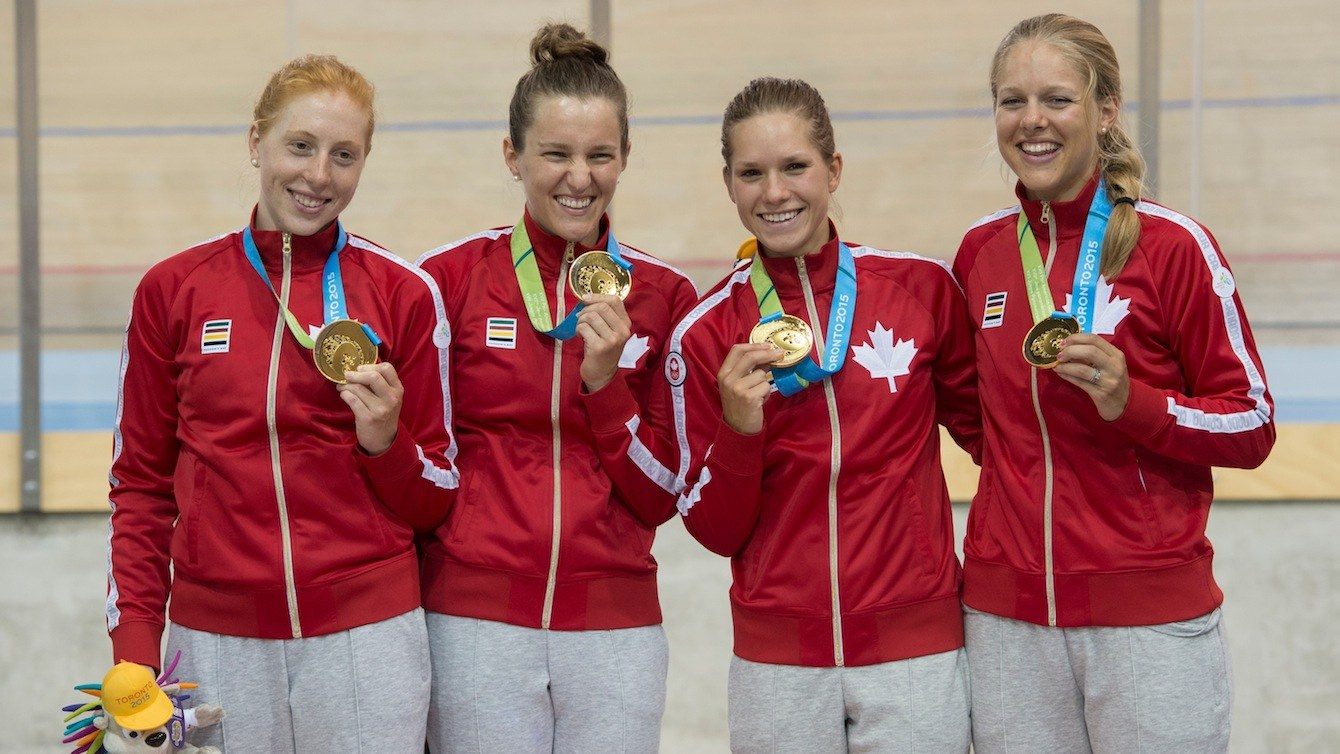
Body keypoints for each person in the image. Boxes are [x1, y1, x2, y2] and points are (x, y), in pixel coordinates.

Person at [105, 55, 457, 752]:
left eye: (344, 155)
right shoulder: (173, 291)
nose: (319, 175)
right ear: (256, 141)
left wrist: (386, 442)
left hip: (368, 640)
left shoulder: (403, 293)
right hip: (215, 643)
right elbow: (141, 486)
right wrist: (137, 643)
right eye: (301, 146)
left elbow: (437, 499)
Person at [618, 76, 981, 752]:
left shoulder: (919, 291)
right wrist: (737, 430)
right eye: (752, 173)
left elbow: (1002, 441)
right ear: (728, 184)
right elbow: (717, 531)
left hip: (916, 657)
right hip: (778, 669)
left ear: (833, 169)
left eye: (795, 167)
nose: (775, 192)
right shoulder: (704, 333)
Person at [952, 14, 1275, 752]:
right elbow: (976, 417)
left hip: (1150, 622)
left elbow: (1252, 423)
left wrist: (1137, 406)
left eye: (1056, 99)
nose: (1032, 121)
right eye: (1012, 100)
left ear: (1104, 111)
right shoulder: (979, 254)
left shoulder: (1172, 248)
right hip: (1009, 625)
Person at [413, 23, 698, 753]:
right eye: (556, 154)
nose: (581, 176)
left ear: (625, 157)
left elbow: (662, 495)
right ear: (512, 156)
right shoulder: (445, 281)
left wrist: (605, 392)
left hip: (614, 629)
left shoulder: (665, 296)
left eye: (601, 155)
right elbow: (425, 468)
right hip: (473, 621)